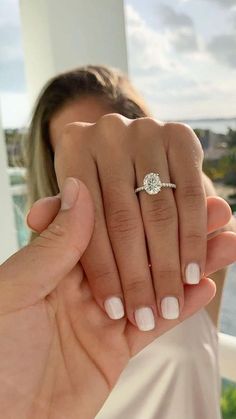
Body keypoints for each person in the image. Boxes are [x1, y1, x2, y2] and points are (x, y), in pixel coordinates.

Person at [0, 65, 234, 418]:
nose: (105, 159)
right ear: (50, 167)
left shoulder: (190, 233)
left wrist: (171, 164)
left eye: (117, 137)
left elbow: (195, 188)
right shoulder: (42, 296)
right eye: (72, 151)